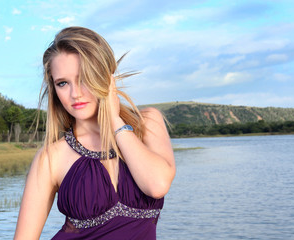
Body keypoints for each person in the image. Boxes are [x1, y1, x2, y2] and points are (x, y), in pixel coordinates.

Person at [14, 26, 176, 240]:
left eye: (84, 79)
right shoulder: (51, 158)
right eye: (62, 83)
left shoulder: (148, 123)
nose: (75, 93)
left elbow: (157, 185)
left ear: (106, 79)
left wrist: (114, 120)